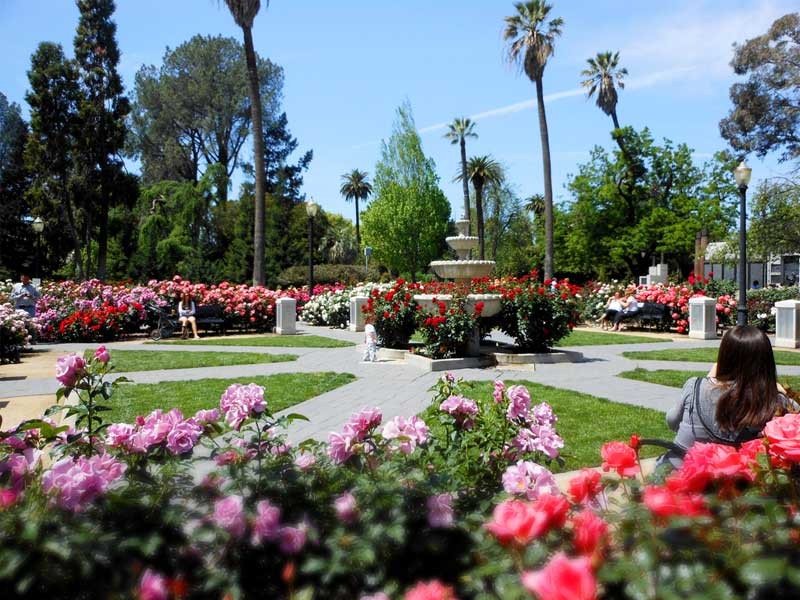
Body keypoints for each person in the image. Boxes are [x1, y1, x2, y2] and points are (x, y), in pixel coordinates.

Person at [663, 325, 796, 468]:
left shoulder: (694, 386)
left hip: (679, 471)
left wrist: (705, 381)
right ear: (766, 362)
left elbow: (672, 422)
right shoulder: (778, 402)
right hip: (740, 481)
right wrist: (785, 393)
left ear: (724, 356)